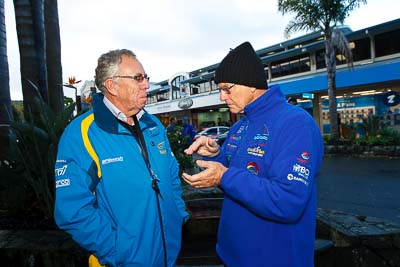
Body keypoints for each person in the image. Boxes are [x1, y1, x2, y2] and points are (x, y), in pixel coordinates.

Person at [182, 42, 324, 267]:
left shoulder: (295, 123)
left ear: (252, 84)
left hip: (275, 259)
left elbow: (287, 201)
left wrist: (223, 176)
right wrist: (216, 156)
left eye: (227, 88)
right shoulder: (240, 125)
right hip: (232, 255)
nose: (221, 97)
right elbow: (234, 174)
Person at [54, 49, 188, 267]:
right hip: (121, 260)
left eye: (146, 78)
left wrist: (178, 215)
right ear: (112, 85)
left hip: (168, 254)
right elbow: (72, 211)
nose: (146, 84)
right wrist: (118, 250)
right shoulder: (81, 134)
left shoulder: (153, 125)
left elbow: (171, 175)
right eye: (138, 78)